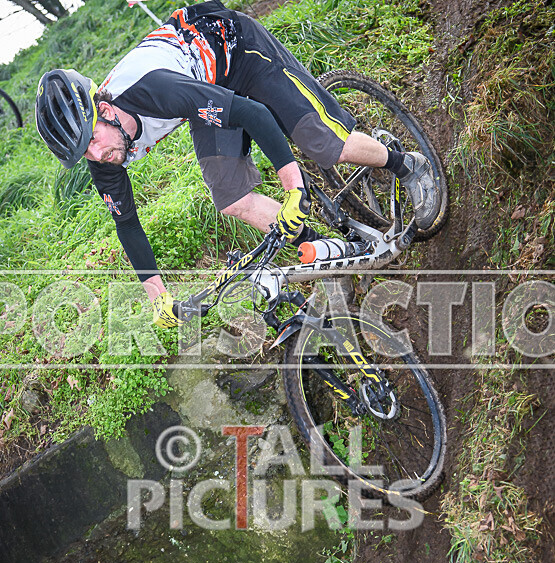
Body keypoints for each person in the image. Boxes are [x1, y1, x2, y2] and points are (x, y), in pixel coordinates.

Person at [35, 0, 440, 329]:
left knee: (322, 144)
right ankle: (325, 251)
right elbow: (127, 223)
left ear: (104, 109)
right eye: (83, 154)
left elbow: (252, 114)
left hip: (238, 51)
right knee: (231, 196)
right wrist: (158, 298)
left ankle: (407, 164)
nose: (97, 155)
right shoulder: (104, 152)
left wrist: (293, 186)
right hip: (204, 88)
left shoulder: (153, 90)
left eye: (93, 140)